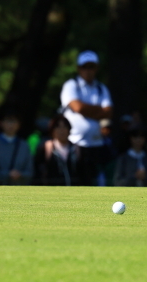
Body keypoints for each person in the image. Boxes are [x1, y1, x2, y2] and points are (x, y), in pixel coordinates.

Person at [59, 50, 113, 185]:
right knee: (75, 181)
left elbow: (108, 112)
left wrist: (85, 110)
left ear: (97, 68)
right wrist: (97, 111)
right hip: (75, 143)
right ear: (78, 68)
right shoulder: (71, 85)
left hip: (96, 144)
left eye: (91, 66)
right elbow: (78, 107)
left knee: (95, 181)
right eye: (84, 67)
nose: (88, 70)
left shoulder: (101, 88)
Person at [0, 110, 33, 185]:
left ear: (19, 124)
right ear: (1, 123)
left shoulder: (24, 145)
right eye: (8, 121)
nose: (11, 125)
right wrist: (7, 174)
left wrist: (20, 175)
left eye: (14, 121)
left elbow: (29, 171)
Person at [35, 115, 84, 186]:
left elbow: (83, 173)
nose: (62, 130)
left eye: (64, 127)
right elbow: (38, 172)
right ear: (52, 130)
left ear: (69, 129)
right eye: (58, 127)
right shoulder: (46, 148)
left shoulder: (77, 149)